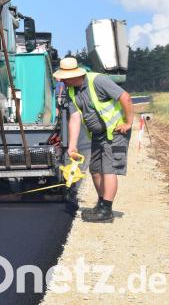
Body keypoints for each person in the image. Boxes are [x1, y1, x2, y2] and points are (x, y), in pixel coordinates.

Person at [54, 57, 134, 223]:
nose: (62, 81)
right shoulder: (71, 91)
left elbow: (125, 97)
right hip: (97, 134)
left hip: (116, 131)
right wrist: (72, 146)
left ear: (74, 75)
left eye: (64, 78)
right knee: (95, 170)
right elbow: (74, 118)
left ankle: (106, 210)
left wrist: (128, 122)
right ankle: (101, 204)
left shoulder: (98, 81)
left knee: (108, 169)